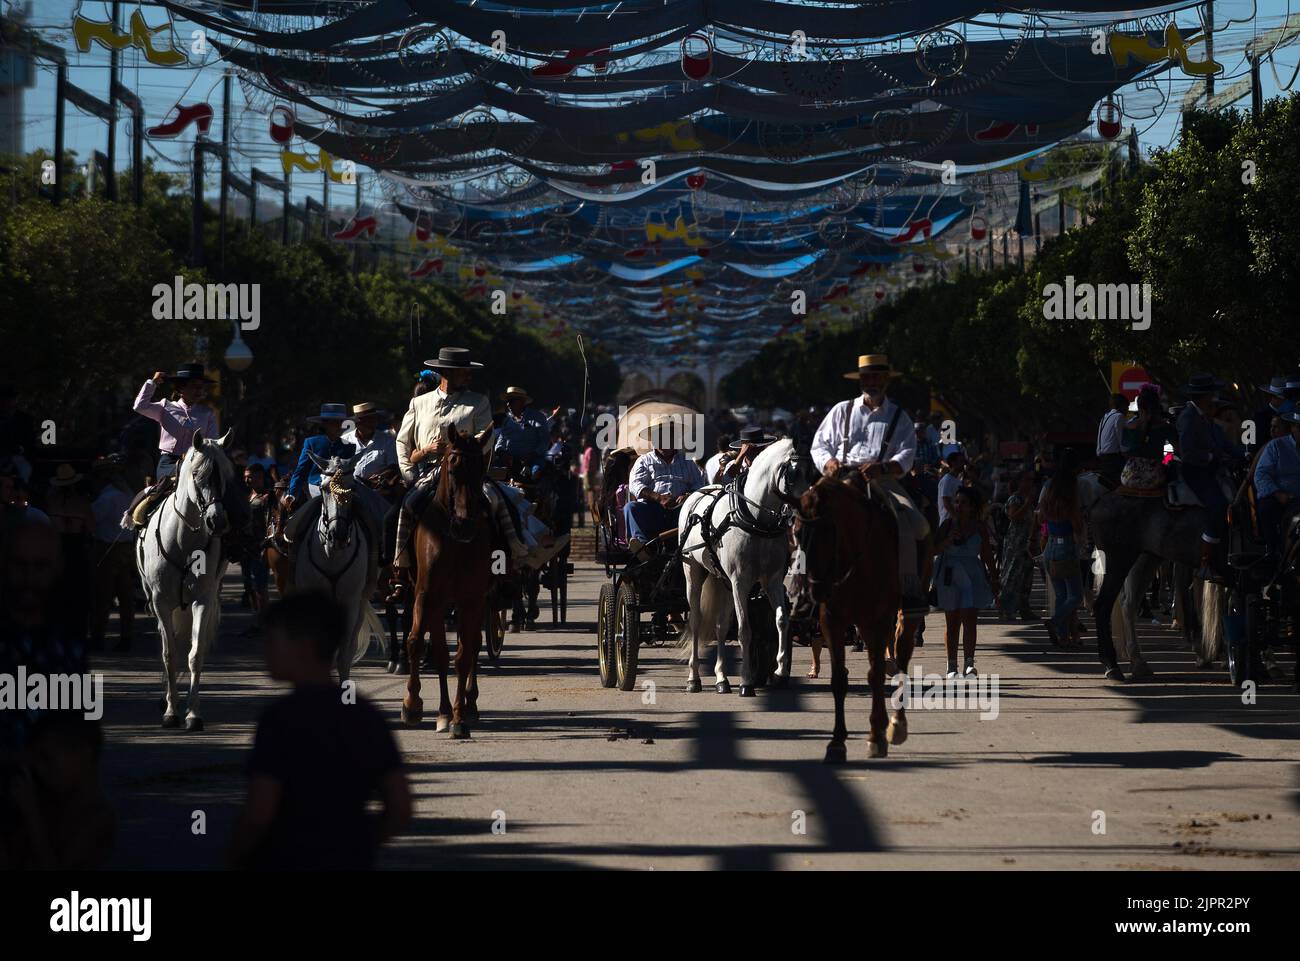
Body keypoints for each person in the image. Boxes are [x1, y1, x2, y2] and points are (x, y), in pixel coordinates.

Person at [228, 593, 410, 870]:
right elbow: (400, 807)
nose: (263, 649)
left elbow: (259, 813)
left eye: (272, 640)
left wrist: (234, 857)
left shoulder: (279, 720)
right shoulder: (367, 716)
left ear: (303, 647)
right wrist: (358, 843)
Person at [810, 353, 931, 616]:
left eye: (876, 376)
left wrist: (884, 467)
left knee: (916, 524)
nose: (871, 381)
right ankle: (803, 590)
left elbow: (907, 453)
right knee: (806, 517)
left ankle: (911, 590)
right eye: (866, 377)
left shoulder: (899, 416)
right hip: (840, 477)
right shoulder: (842, 410)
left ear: (887, 380)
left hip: (881, 480)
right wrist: (829, 463)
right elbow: (819, 445)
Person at [1176, 373, 1240, 582]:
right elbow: (1188, 453)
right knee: (1218, 505)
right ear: (1204, 396)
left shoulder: (1204, 416)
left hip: (1210, 469)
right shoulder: (1188, 417)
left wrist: (1244, 455)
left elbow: (1223, 444)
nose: (1214, 397)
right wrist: (1212, 456)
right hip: (1195, 472)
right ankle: (1205, 563)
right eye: (1211, 393)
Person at [932, 485, 996, 677]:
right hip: (950, 575)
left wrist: (994, 577)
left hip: (972, 574)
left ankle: (969, 662)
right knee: (952, 622)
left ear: (972, 507)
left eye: (964, 503)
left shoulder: (979, 527)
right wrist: (948, 541)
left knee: (970, 620)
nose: (959, 506)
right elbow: (933, 549)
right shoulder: (947, 525)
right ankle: (951, 665)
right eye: (957, 501)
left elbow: (986, 554)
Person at [1037, 449, 1092, 661]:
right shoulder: (1073, 490)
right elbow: (1077, 523)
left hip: (1050, 545)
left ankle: (1063, 639)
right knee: (1076, 596)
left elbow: (1040, 517)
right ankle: (1055, 621)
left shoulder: (1048, 487)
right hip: (1067, 546)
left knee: (1061, 595)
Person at [624, 415, 706, 555]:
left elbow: (699, 485)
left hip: (681, 511)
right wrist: (658, 497)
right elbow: (635, 485)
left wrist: (687, 496)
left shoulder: (688, 462)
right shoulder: (644, 461)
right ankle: (643, 548)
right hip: (653, 510)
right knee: (631, 508)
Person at [132, 364, 220, 481]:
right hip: (169, 463)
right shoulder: (165, 407)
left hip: (198, 463)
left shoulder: (207, 413)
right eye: (194, 386)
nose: (199, 390)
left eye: (201, 387)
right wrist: (152, 383)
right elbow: (139, 406)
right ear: (180, 389)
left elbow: (212, 443)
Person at [89, 455, 136, 652]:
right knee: (126, 597)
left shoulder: (106, 498)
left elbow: (92, 520)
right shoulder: (128, 495)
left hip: (107, 550)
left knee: (103, 596)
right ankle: (126, 637)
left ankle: (98, 637)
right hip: (126, 549)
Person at [45, 464, 94, 645]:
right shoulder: (81, 503)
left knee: (56, 592)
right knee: (78, 593)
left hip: (57, 548)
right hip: (76, 548)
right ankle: (77, 632)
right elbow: (91, 528)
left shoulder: (51, 502)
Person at [1253, 409, 1300, 556]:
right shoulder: (1276, 446)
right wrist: (1279, 494)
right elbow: (1260, 475)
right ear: (1292, 428)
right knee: (1267, 509)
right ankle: (1274, 554)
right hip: (1281, 497)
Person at [997, 470, 1037, 620]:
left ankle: (1024, 609)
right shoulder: (1015, 499)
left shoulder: (1029, 499)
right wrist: (1026, 504)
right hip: (1015, 543)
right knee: (1012, 576)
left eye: (1031, 481)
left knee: (1026, 577)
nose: (1029, 484)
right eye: (1026, 480)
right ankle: (1005, 609)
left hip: (1027, 543)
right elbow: (1013, 517)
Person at [1120, 384, 1176, 490]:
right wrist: (1165, 461)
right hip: (1154, 477)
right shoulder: (1165, 427)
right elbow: (1175, 451)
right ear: (1157, 406)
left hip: (1127, 477)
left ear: (1139, 406)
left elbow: (1124, 452)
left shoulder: (1129, 426)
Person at [494, 386, 550, 473]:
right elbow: (500, 442)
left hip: (532, 460)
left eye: (511, 401)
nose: (508, 404)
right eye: (507, 401)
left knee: (536, 472)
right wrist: (501, 452)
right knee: (490, 473)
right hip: (510, 461)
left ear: (522, 402)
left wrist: (532, 455)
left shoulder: (537, 417)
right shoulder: (507, 421)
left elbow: (545, 441)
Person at [242, 464, 272, 621]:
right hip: (246, 548)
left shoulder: (267, 497)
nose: (247, 479)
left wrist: (265, 544)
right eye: (246, 476)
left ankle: (264, 621)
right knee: (249, 585)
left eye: (250, 476)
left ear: (260, 477)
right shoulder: (246, 496)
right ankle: (256, 620)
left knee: (260, 585)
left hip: (259, 547)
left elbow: (271, 523)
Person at [342, 402, 398, 484]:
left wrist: (381, 477)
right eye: (366, 420)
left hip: (377, 489)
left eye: (373, 419)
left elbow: (393, 466)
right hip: (349, 488)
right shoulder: (345, 440)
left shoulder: (387, 440)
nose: (371, 423)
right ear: (357, 423)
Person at [1096, 393, 1128, 487]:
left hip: (1102, 457)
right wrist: (1127, 456)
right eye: (1127, 407)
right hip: (1113, 459)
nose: (1127, 410)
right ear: (1122, 406)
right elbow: (1122, 440)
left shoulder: (1105, 417)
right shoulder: (1119, 417)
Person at [936, 447, 966, 526]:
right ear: (953, 463)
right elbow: (947, 503)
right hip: (947, 523)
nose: (963, 464)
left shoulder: (957, 480)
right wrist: (955, 518)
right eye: (961, 461)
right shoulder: (947, 480)